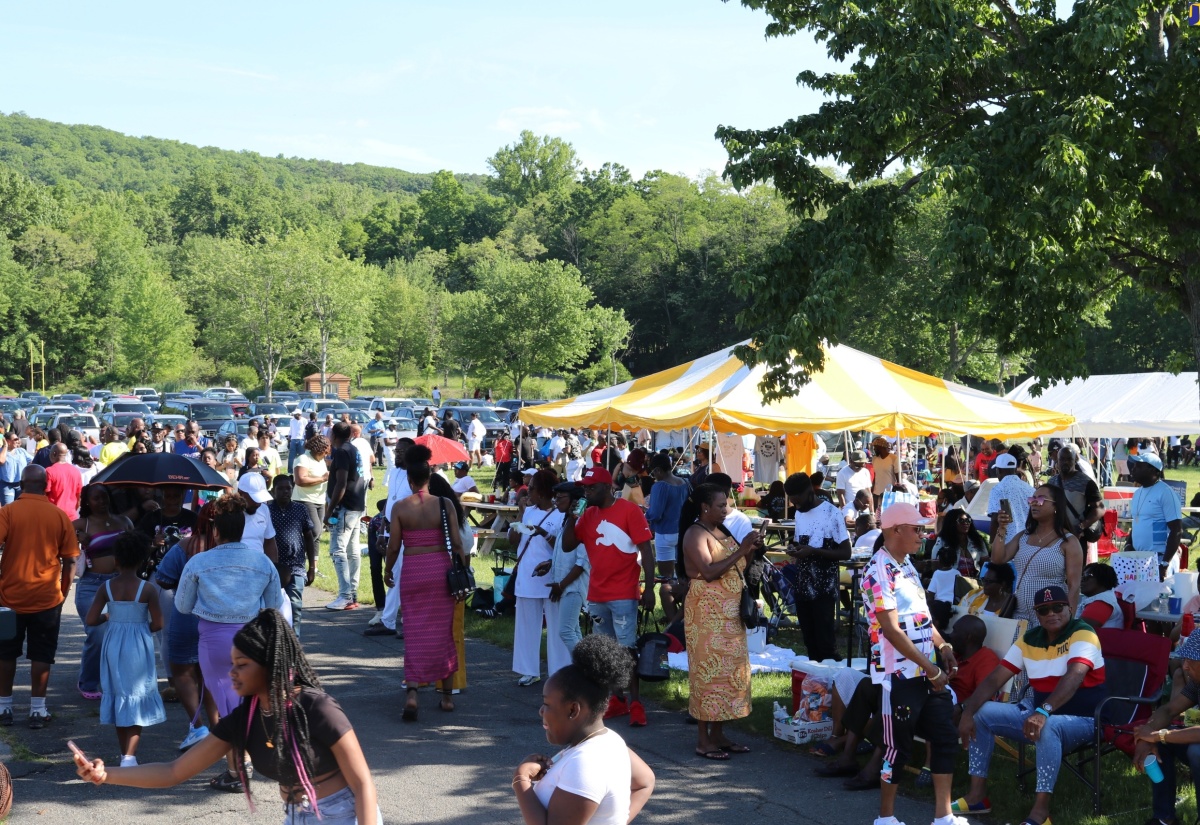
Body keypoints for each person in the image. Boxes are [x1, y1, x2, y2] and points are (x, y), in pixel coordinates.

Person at [74, 608, 382, 824]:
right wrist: (105, 774)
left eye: (242, 665)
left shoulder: (316, 708)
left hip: (345, 814)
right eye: (231, 664)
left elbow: (363, 784)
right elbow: (173, 772)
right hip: (295, 815)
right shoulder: (244, 718)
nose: (231, 673)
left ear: (269, 664)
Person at [954, 585, 1107, 824]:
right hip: (1037, 715)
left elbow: (1074, 676)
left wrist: (1043, 711)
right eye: (1044, 610)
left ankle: (1041, 812)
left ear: (1069, 608)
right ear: (1037, 614)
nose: (1051, 613)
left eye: (1057, 607)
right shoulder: (1030, 639)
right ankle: (977, 796)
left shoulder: (1083, 633)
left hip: (1086, 719)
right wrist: (968, 711)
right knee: (981, 713)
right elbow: (995, 678)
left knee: (1047, 726)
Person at [860, 502, 961, 825]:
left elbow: (920, 618)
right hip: (898, 675)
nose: (923, 535)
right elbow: (890, 629)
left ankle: (943, 816)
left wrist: (942, 645)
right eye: (917, 529)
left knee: (944, 737)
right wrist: (932, 669)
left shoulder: (907, 566)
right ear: (895, 530)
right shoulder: (877, 571)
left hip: (926, 672)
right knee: (896, 749)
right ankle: (886, 818)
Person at [174, 494, 282, 793]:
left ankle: (237, 769)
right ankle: (243, 762)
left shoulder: (199, 562)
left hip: (213, 640)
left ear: (216, 531)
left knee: (224, 707)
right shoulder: (261, 561)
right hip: (250, 641)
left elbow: (183, 606)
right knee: (247, 702)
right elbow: (273, 603)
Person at [511, 634, 655, 825]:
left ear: (573, 709)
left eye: (546, 704)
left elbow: (645, 782)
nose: (541, 711)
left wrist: (520, 780)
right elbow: (645, 782)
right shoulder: (610, 740)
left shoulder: (586, 764)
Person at [561, 466, 656, 727]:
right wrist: (571, 516)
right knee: (606, 651)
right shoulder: (588, 514)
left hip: (624, 592)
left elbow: (646, 550)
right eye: (585, 487)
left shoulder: (629, 510)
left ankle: (636, 702)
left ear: (607, 487)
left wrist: (648, 588)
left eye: (592, 487)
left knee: (626, 650)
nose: (587, 491)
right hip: (597, 593)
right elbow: (568, 544)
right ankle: (617, 699)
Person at [385, 443, 469, 721]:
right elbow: (457, 543)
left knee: (414, 632)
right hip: (439, 569)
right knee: (444, 632)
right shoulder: (444, 504)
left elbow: (394, 546)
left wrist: (387, 570)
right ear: (429, 478)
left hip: (413, 570)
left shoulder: (399, 507)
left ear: (410, 480)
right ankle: (446, 697)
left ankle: (412, 692)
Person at [679, 483, 758, 760]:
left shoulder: (722, 531)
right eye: (721, 505)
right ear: (705, 507)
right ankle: (703, 740)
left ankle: (719, 735)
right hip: (706, 614)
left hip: (729, 614)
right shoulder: (694, 534)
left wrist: (750, 548)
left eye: (726, 504)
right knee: (707, 676)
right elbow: (709, 572)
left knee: (727, 674)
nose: (726, 509)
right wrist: (742, 549)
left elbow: (738, 565)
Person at [0, 465, 78, 728]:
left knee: (5, 654)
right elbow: (70, 560)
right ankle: (37, 709)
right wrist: (63, 591)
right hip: (47, 598)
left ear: (21, 485)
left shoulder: (7, 512)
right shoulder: (59, 516)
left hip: (8, 598)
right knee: (42, 654)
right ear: (46, 486)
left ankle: (4, 707)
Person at [85, 531, 166, 766]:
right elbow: (159, 623)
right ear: (142, 559)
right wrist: (141, 628)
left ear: (116, 560)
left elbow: (91, 620)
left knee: (120, 693)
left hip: (113, 645)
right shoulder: (147, 589)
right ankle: (130, 757)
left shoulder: (106, 588)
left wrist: (109, 617)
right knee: (136, 694)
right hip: (138, 645)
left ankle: (124, 754)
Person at [153, 503, 218, 751]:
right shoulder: (229, 548)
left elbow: (162, 577)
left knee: (182, 672)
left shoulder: (185, 545)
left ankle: (197, 726)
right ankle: (216, 725)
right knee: (208, 674)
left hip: (186, 612)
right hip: (216, 618)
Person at [72, 484, 136, 700]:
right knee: (97, 633)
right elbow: (61, 550)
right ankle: (88, 682)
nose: (101, 502)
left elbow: (136, 550)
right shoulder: (81, 524)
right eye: (96, 498)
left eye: (104, 497)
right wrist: (78, 541)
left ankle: (119, 681)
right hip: (92, 584)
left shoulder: (124, 522)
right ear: (87, 502)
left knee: (123, 634)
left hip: (120, 584)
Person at [992, 483, 1084, 625]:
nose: (1034, 503)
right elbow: (998, 559)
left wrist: (1068, 619)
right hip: (1020, 614)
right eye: (1032, 499)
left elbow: (1074, 585)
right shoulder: (1023, 536)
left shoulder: (1068, 542)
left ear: (1056, 506)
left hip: (1051, 616)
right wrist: (1002, 529)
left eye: (1040, 499)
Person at [783, 472, 851, 662]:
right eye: (793, 501)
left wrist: (813, 551)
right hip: (803, 584)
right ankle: (815, 686)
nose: (796, 505)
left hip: (824, 589)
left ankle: (831, 684)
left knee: (825, 644)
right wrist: (794, 548)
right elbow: (800, 542)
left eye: (798, 500)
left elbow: (846, 553)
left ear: (810, 492)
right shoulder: (799, 513)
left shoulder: (832, 513)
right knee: (810, 642)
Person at [511, 469, 566, 685]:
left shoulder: (560, 514)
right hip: (527, 573)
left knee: (555, 624)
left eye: (531, 488)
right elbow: (514, 541)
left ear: (542, 493)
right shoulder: (528, 511)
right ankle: (528, 670)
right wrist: (519, 515)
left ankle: (559, 671)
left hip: (551, 574)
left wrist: (542, 532)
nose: (527, 491)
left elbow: (562, 548)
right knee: (525, 623)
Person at [534, 481, 591, 673]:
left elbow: (582, 563)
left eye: (560, 498)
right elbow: (562, 551)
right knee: (573, 630)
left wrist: (561, 585)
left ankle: (587, 671)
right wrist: (550, 564)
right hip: (565, 585)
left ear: (575, 501)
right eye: (555, 498)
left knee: (565, 631)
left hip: (573, 587)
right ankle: (586, 670)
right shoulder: (567, 521)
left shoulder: (581, 522)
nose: (556, 502)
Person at [268, 475, 317, 637]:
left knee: (295, 606)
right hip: (273, 566)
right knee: (273, 609)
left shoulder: (300, 509)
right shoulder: (266, 510)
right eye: (280, 489)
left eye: (288, 488)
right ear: (273, 491)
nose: (285, 492)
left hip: (295, 566)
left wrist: (312, 567)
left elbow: (309, 537)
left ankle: (294, 643)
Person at [325, 422, 366, 611]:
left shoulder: (341, 452)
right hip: (356, 505)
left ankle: (345, 596)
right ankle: (353, 593)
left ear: (334, 435)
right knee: (352, 551)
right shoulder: (354, 449)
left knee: (337, 550)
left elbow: (341, 483)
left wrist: (330, 509)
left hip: (344, 507)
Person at [1128, 451, 1184, 578]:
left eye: (1138, 465)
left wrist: (1165, 563)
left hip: (1160, 559)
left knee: (1161, 597)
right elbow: (1138, 522)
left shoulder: (1165, 493)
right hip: (1140, 559)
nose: (1133, 468)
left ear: (1152, 470)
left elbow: (1177, 530)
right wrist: (1128, 544)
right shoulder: (1137, 493)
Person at [644, 453, 689, 580]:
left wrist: (645, 514)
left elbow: (655, 514)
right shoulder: (684, 482)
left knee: (667, 578)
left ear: (658, 470)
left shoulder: (660, 486)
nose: (654, 477)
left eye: (653, 473)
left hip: (665, 533)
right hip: (683, 532)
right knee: (682, 575)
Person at [987, 452, 1035, 546]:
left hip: (1008, 545)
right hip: (1029, 543)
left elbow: (995, 520)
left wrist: (992, 547)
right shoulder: (1030, 489)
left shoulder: (998, 489)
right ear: (1015, 469)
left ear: (998, 470)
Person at [929, 508, 988, 578]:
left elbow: (985, 563)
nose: (966, 523)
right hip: (951, 583)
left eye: (968, 520)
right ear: (951, 523)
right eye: (961, 520)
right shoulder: (942, 541)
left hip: (975, 584)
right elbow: (935, 566)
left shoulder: (977, 540)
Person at [235, 472, 279, 562]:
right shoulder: (228, 512)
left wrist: (274, 567)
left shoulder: (264, 509)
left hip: (259, 567)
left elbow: (269, 542)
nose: (258, 504)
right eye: (254, 498)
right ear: (240, 493)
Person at [1075, 562, 1123, 630]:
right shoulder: (1095, 598)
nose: (1082, 580)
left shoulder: (1102, 602)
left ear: (1103, 579)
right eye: (1082, 576)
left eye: (1088, 576)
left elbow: (1080, 629)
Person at [926, 548, 959, 631]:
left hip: (939, 608)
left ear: (939, 560)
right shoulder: (957, 573)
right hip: (953, 607)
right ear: (954, 560)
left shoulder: (937, 573)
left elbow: (931, 593)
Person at [0, 431, 30, 505]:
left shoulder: (21, 451)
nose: (18, 441)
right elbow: (1, 460)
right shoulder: (2, 451)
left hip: (21, 485)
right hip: (7, 485)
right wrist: (5, 446)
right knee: (8, 508)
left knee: (20, 507)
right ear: (8, 441)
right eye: (15, 439)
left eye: (18, 439)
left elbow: (33, 461)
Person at [871, 437, 900, 510]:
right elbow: (875, 475)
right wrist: (872, 489)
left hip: (889, 492)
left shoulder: (894, 458)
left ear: (881, 447)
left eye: (875, 447)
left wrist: (897, 490)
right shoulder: (874, 459)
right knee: (877, 513)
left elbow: (898, 477)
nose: (874, 449)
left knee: (889, 512)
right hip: (877, 492)